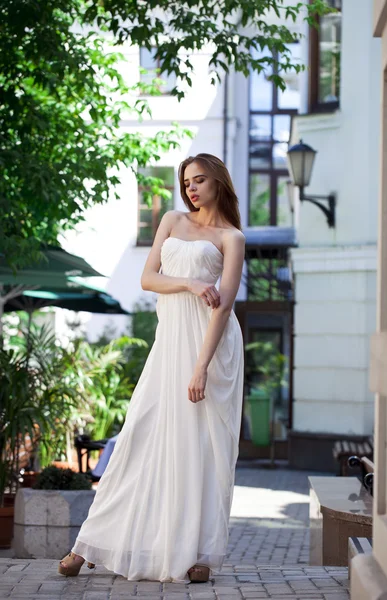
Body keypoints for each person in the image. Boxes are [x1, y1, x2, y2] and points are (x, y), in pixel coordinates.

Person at [58, 152, 245, 584]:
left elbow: (224, 307)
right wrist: (191, 283)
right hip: (168, 347)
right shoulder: (171, 222)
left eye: (199, 180)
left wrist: (200, 369)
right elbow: (148, 278)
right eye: (186, 182)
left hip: (210, 352)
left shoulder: (231, 237)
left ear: (218, 182)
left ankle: (200, 553)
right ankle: (86, 546)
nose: (191, 188)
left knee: (204, 450)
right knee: (137, 438)